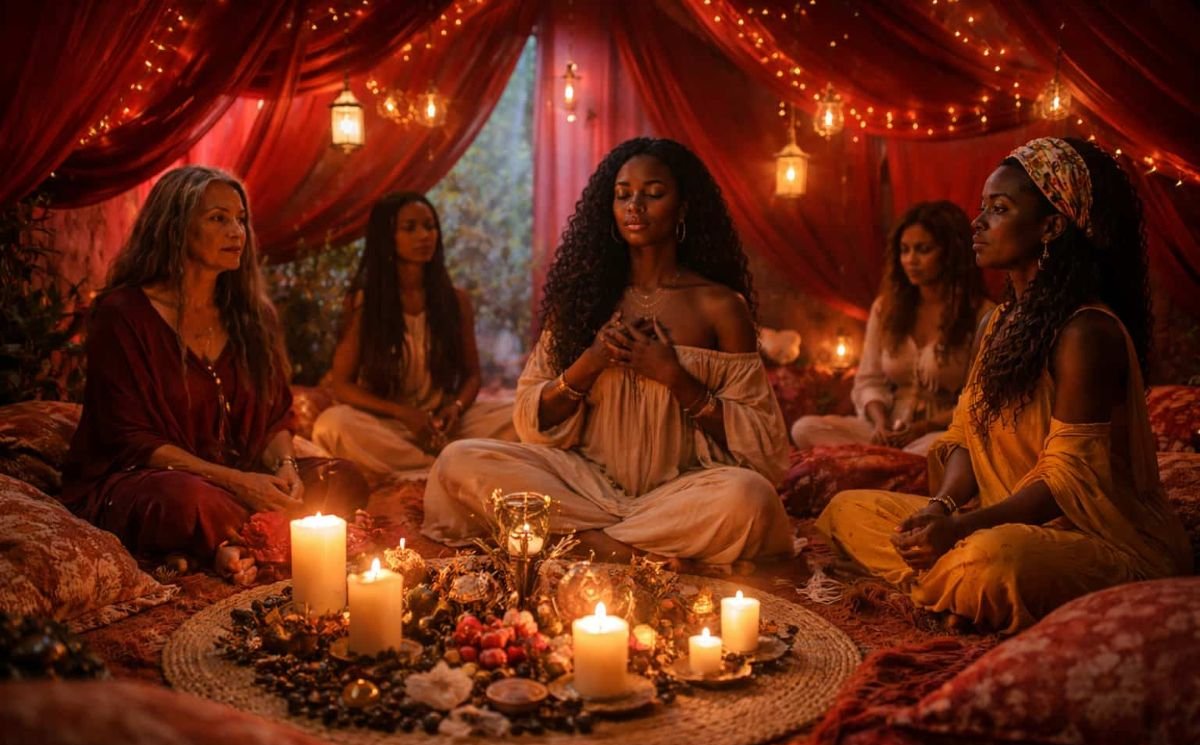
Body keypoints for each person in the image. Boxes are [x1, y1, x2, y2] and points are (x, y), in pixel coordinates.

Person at [816, 137, 1191, 633]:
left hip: (1091, 540)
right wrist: (940, 508)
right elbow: (966, 432)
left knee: (996, 561)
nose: (979, 223)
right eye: (982, 208)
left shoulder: (1087, 332)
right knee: (848, 509)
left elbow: (1067, 481)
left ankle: (941, 585)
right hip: (996, 520)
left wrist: (963, 528)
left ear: (1051, 226)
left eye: (1000, 209)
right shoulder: (1001, 324)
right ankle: (948, 585)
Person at [422, 138, 792, 568]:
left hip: (683, 488)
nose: (635, 205)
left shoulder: (721, 306)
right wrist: (590, 362)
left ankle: (577, 542)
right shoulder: (583, 298)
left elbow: (763, 443)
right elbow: (530, 419)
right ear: (609, 209)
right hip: (582, 480)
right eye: (623, 195)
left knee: (749, 498)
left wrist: (675, 377)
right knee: (459, 460)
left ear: (684, 208)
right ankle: (629, 553)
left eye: (654, 194)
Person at [62, 166, 369, 585]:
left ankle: (232, 544)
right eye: (217, 218)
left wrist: (285, 469)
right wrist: (241, 484)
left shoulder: (252, 316)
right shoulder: (123, 314)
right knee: (186, 502)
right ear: (174, 228)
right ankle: (259, 539)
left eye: (240, 219)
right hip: (152, 478)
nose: (236, 231)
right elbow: (130, 439)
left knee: (341, 478)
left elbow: (276, 416)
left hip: (241, 473)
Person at [311, 192, 515, 480]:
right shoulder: (364, 303)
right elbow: (342, 385)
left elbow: (473, 376)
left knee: (518, 415)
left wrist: (455, 409)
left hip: (445, 425)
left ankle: (441, 461)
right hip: (390, 425)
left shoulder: (456, 301)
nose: (424, 236)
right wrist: (403, 414)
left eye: (429, 226)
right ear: (387, 238)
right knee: (332, 425)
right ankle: (445, 468)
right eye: (410, 228)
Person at [791, 201, 993, 455]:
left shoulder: (982, 313)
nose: (911, 260)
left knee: (940, 449)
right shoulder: (886, 308)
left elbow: (980, 400)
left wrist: (923, 427)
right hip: (886, 430)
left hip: (941, 431)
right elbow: (869, 379)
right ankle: (884, 459)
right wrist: (880, 423)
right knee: (805, 428)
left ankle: (879, 461)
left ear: (951, 253)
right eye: (905, 250)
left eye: (923, 250)